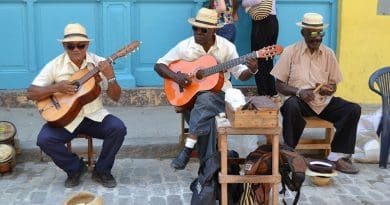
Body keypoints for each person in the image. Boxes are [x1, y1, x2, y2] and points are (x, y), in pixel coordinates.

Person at [154, 7, 257, 174]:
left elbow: (240, 74)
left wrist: (252, 70)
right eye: (195, 28)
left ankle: (190, 152)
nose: (198, 32)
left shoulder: (227, 47)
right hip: (191, 100)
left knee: (207, 100)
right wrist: (177, 78)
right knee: (206, 117)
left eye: (203, 30)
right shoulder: (185, 46)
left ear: (214, 31)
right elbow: (159, 65)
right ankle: (209, 173)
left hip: (220, 97)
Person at [27, 23, 127, 188]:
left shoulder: (99, 63)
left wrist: (110, 77)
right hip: (66, 119)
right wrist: (56, 87)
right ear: (64, 46)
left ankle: (102, 170)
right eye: (70, 46)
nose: (76, 49)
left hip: (94, 116)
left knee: (118, 128)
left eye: (80, 45)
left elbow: (116, 97)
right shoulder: (55, 65)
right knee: (44, 139)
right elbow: (31, 93)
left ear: (87, 45)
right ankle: (75, 168)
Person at [270, 13, 361, 174]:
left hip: (323, 102)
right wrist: (299, 92)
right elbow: (279, 85)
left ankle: (335, 157)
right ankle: (290, 154)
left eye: (320, 34)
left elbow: (333, 84)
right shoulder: (291, 51)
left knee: (353, 109)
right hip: (300, 101)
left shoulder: (329, 54)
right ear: (303, 33)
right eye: (312, 34)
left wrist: (329, 89)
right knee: (290, 105)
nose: (317, 38)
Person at [242, 0, 279, 97]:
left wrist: (245, 3)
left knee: (258, 58)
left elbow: (255, 1)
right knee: (268, 58)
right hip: (273, 20)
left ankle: (263, 93)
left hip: (262, 22)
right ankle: (272, 91)